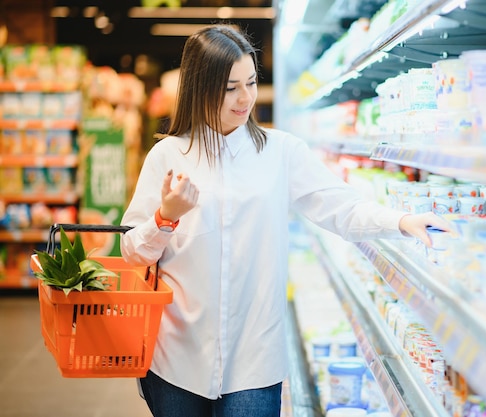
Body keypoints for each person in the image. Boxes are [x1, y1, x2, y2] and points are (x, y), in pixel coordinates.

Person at [120, 24, 454, 417]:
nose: (246, 98)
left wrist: (401, 220)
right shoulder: (168, 156)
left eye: (251, 82)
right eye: (230, 87)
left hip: (255, 359)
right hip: (178, 355)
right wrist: (165, 218)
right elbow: (131, 251)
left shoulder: (281, 152)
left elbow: (339, 206)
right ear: (199, 87)